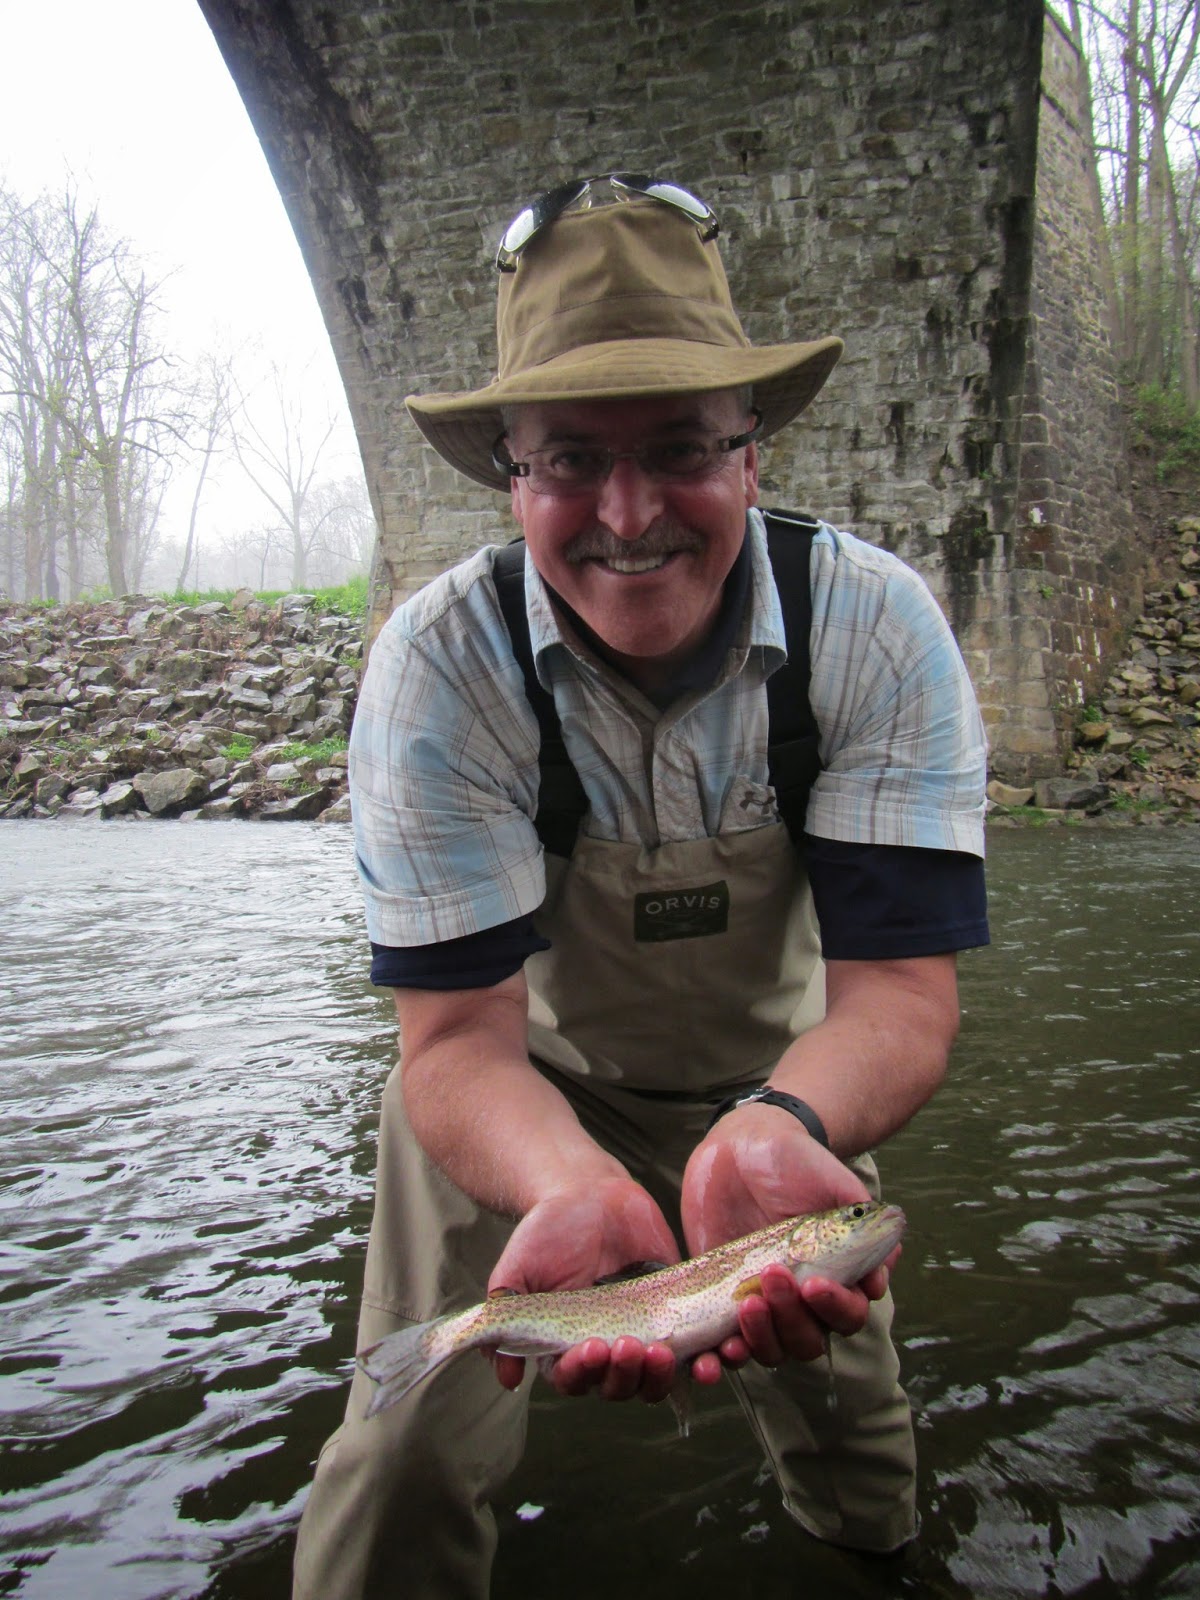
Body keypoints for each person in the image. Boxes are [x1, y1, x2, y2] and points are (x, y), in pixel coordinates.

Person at [293, 173, 988, 1599]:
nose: (627, 515)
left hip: (791, 1095)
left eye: (678, 447)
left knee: (865, 1452)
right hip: (516, 1095)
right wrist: (564, 1180)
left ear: (751, 453)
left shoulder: (877, 629)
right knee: (403, 1466)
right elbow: (455, 1044)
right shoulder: (437, 670)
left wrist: (785, 1126)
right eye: (567, 462)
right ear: (510, 473)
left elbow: (901, 996)